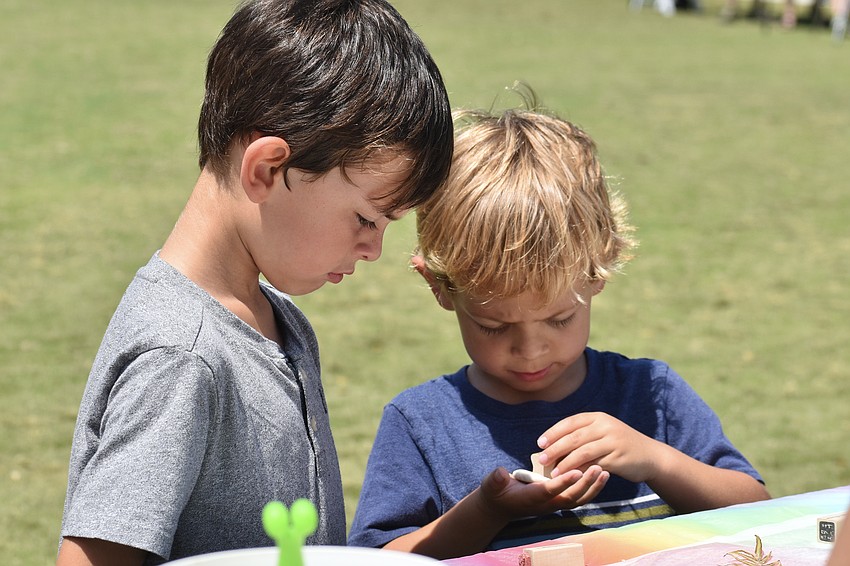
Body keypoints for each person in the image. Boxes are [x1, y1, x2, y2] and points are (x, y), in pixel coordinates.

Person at [56, 0, 453, 564]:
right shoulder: (182, 357)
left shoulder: (276, 316)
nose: (373, 249)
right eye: (367, 218)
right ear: (266, 169)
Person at [347, 88, 770, 560]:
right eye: (492, 325)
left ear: (598, 272)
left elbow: (762, 515)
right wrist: (488, 510)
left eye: (560, 318)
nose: (531, 350)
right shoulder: (421, 424)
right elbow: (378, 558)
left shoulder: (652, 397)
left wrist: (654, 458)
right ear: (440, 288)